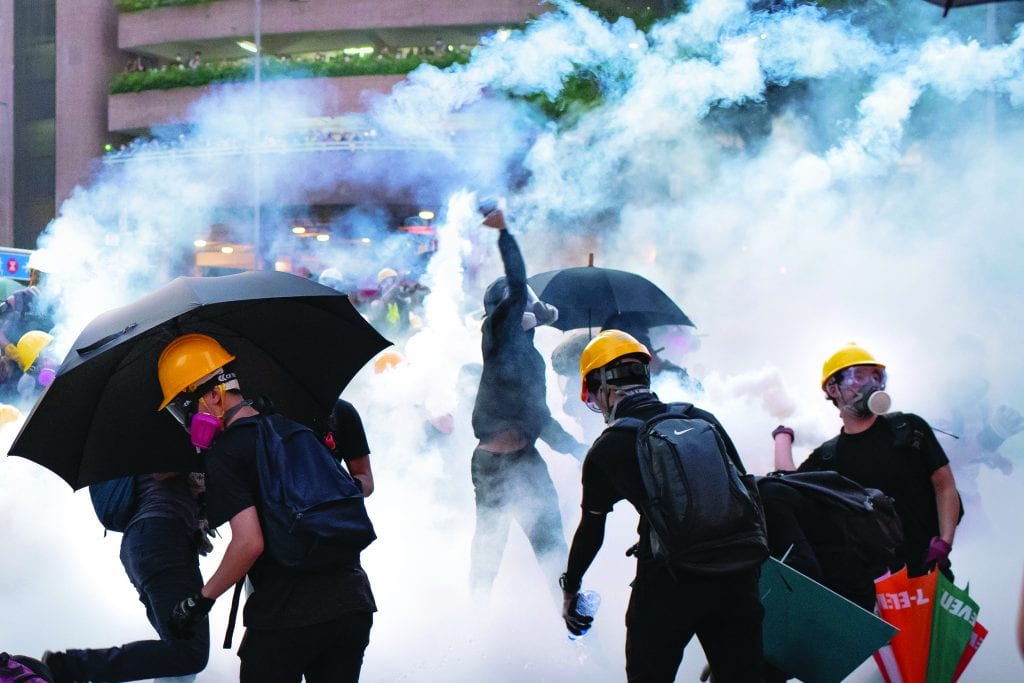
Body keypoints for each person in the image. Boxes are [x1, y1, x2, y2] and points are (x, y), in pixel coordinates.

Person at [154, 333, 375, 683]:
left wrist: (200, 601)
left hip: (287, 617)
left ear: (214, 395)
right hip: (352, 604)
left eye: (186, 408)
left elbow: (249, 544)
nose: (188, 421)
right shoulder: (294, 427)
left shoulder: (225, 454)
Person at [561, 330, 765, 682]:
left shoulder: (608, 447)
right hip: (737, 572)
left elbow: (592, 529)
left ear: (604, 390)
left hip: (670, 580)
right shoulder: (700, 418)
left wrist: (571, 588)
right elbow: (745, 490)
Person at [470, 204, 586, 602]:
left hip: (527, 458)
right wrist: (505, 234)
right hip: (493, 464)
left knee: (553, 544)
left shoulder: (530, 359)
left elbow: (541, 418)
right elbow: (518, 287)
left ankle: (572, 617)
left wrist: (578, 449)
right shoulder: (497, 337)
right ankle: (472, 619)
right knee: (490, 545)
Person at [773, 343, 961, 580]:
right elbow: (786, 484)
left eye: (876, 376)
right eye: (858, 377)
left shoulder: (908, 429)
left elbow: (944, 485)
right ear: (833, 388)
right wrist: (782, 437)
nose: (871, 384)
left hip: (930, 571)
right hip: (872, 585)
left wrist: (944, 543)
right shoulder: (829, 456)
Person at [41, 471, 212, 683]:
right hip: (163, 537)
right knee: (188, 653)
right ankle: (67, 666)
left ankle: (68, 667)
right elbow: (160, 470)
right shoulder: (169, 438)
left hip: (146, 542)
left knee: (178, 652)